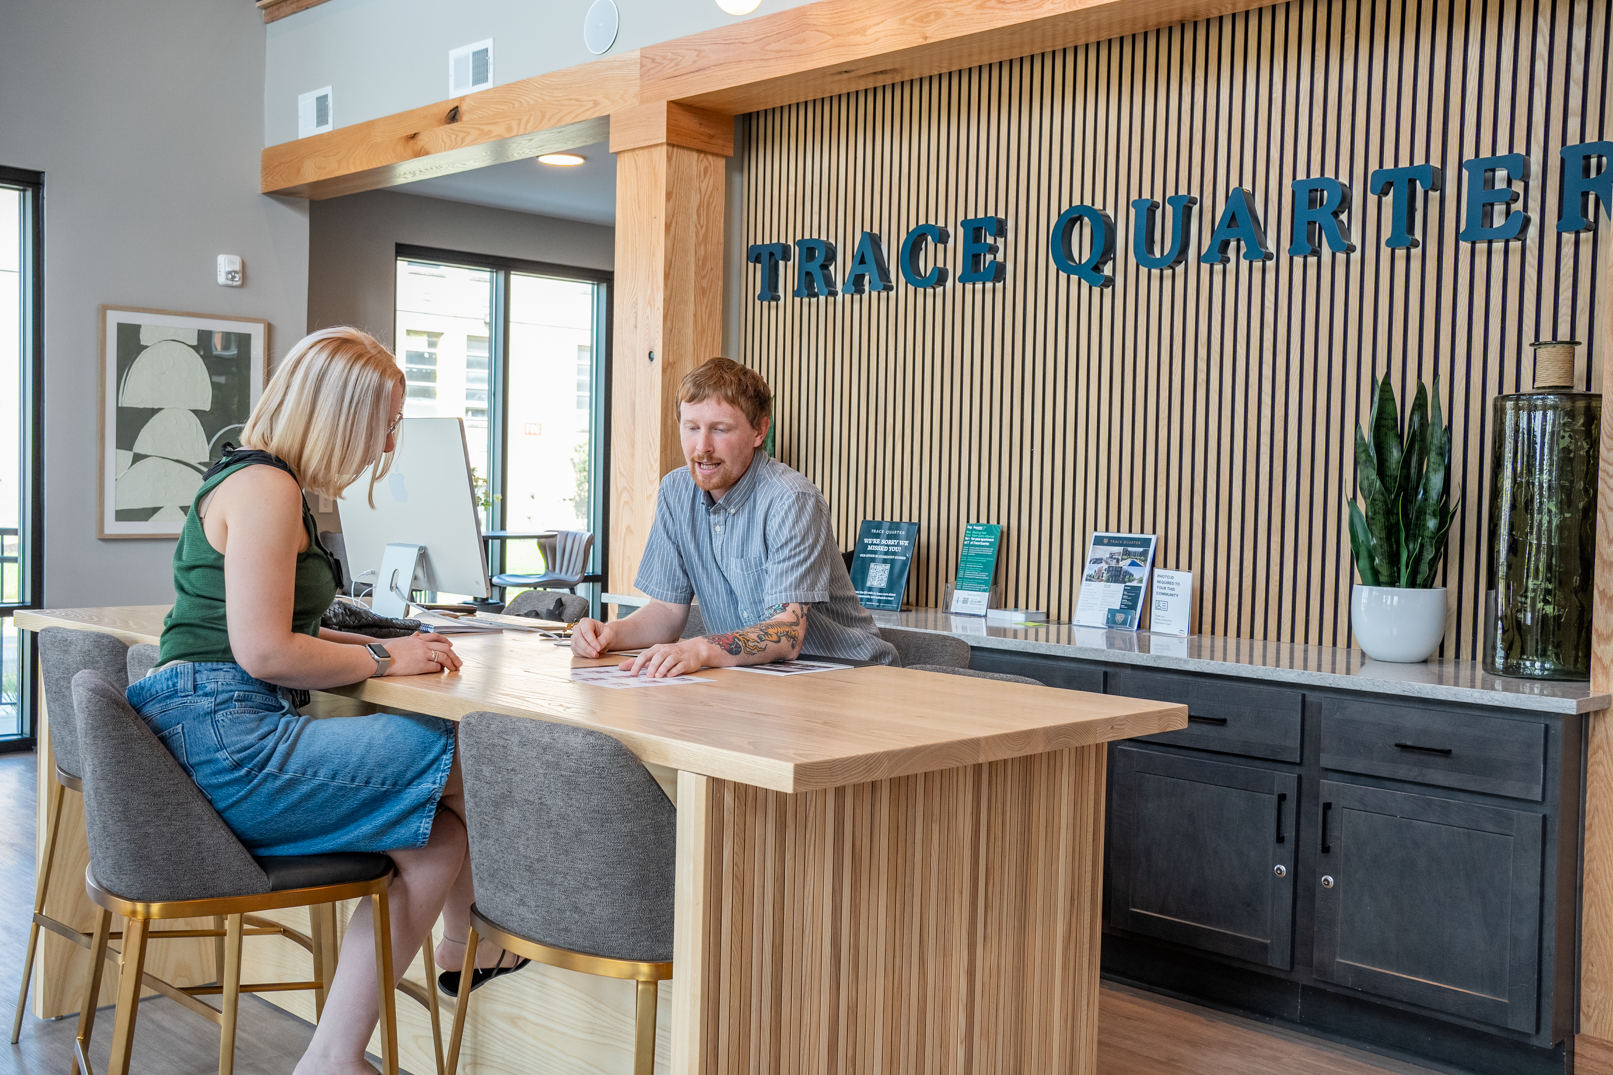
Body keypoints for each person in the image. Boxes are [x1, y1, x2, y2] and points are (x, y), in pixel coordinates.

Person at [124, 327, 516, 1075]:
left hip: (204, 725)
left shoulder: (254, 478)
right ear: (340, 416)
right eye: (384, 424)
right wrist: (386, 655)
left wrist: (377, 643)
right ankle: (481, 941)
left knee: (437, 840)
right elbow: (265, 652)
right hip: (229, 737)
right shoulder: (268, 489)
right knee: (477, 753)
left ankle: (334, 1056)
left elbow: (275, 630)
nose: (388, 443)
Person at [573, 357, 896, 675]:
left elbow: (787, 632)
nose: (702, 447)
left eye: (720, 429)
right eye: (692, 428)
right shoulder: (675, 491)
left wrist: (699, 649)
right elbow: (668, 612)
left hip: (851, 674)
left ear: (759, 431)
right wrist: (611, 634)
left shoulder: (792, 499)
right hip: (760, 677)